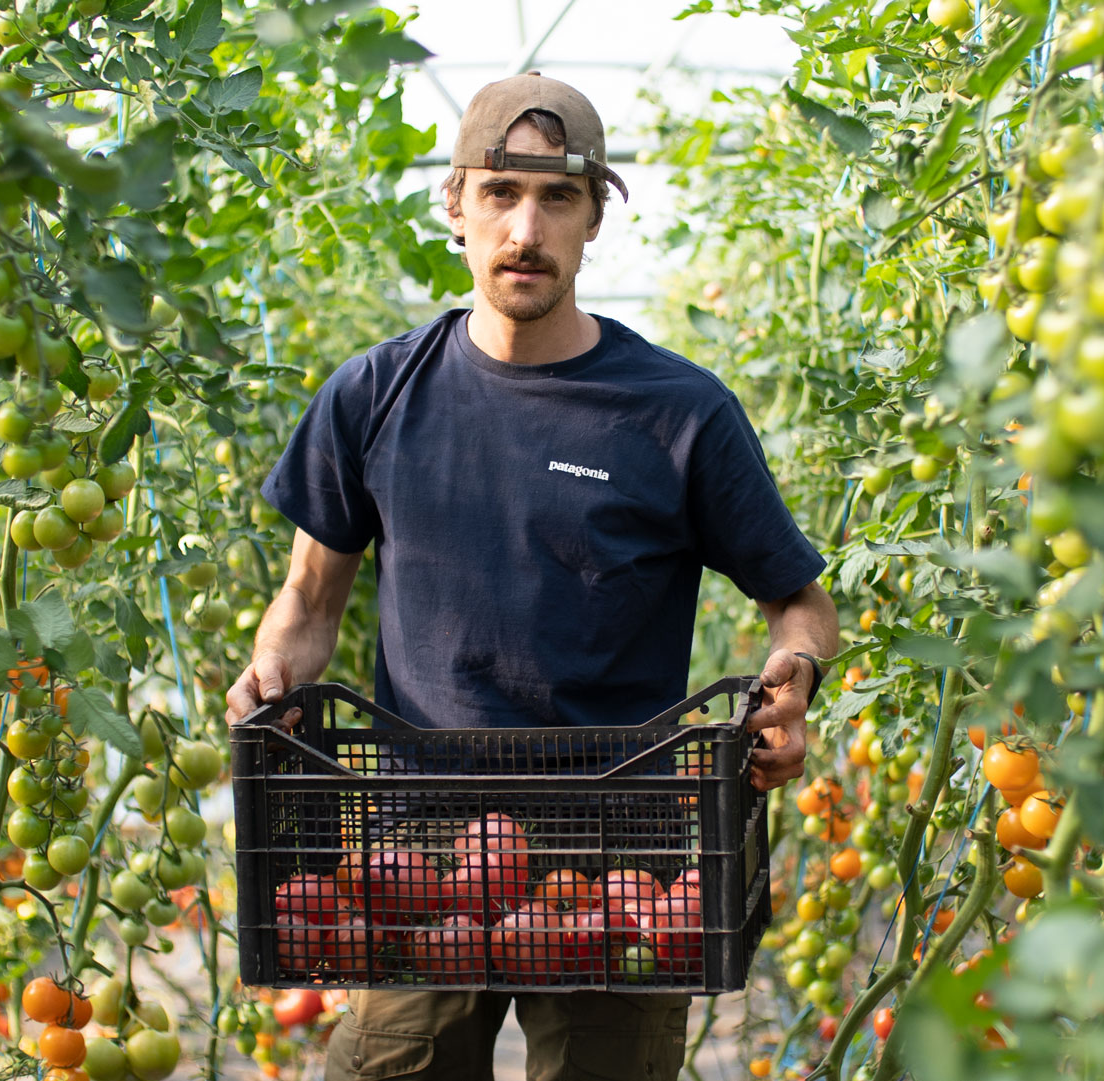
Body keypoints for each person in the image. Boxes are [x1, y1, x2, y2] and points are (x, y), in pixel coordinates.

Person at [225, 72, 840, 1081]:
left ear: (595, 219)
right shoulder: (375, 396)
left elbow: (798, 601)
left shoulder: (678, 413)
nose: (526, 227)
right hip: (419, 848)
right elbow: (306, 604)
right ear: (456, 205)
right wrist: (271, 675)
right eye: (500, 193)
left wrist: (794, 681)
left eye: (559, 198)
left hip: (621, 859)